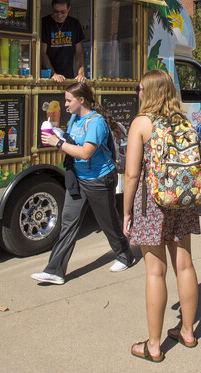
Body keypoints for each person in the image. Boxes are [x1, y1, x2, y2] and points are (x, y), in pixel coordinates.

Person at [122, 69, 201, 362]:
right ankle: (188, 331)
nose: (138, 93)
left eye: (140, 88)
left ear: (151, 92)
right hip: (183, 199)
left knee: (156, 271)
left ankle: (153, 345)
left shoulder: (142, 123)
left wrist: (126, 211)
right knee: (185, 265)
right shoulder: (183, 120)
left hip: (152, 203)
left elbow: (131, 174)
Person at [32, 82, 135, 285]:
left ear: (81, 100)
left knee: (108, 223)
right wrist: (59, 137)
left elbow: (87, 152)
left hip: (99, 180)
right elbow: (72, 146)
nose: (65, 104)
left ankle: (125, 254)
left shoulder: (95, 122)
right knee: (68, 223)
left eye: (69, 100)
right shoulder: (74, 119)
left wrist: (59, 143)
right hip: (78, 179)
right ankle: (55, 270)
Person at [41, 0, 87, 82]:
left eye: (63, 12)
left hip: (69, 76)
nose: (59, 15)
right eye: (56, 11)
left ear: (69, 9)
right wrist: (53, 74)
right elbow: (42, 52)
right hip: (49, 78)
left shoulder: (74, 24)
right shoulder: (44, 23)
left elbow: (79, 52)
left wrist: (81, 73)